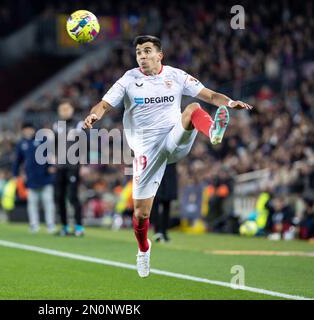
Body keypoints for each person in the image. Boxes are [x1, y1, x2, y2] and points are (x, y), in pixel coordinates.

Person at [83, 35, 253, 277]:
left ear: (159, 55)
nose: (142, 56)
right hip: (146, 150)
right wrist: (94, 116)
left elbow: (211, 96)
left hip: (174, 138)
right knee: (141, 214)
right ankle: (143, 249)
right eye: (139, 52)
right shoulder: (128, 79)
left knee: (193, 108)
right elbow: (104, 104)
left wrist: (230, 101)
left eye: (147, 51)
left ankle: (213, 132)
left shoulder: (176, 75)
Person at [12, 123, 56, 233]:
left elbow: (50, 154)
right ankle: (34, 225)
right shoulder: (21, 144)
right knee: (32, 202)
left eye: (29, 129)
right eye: (25, 129)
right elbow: (17, 161)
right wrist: (15, 174)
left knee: (48, 201)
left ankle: (50, 224)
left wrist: (52, 166)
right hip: (31, 178)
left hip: (45, 176)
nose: (27, 131)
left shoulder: (42, 140)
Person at [53, 101, 85, 236]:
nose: (65, 111)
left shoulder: (78, 124)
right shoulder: (57, 125)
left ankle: (78, 227)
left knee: (73, 196)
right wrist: (53, 157)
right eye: (62, 109)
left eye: (67, 109)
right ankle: (65, 226)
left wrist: (83, 163)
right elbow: (53, 143)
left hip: (73, 165)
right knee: (59, 196)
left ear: (72, 110)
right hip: (60, 166)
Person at [151, 163, 177, 243]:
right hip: (158, 176)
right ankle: (157, 231)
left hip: (169, 177)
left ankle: (164, 232)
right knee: (155, 204)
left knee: (166, 205)